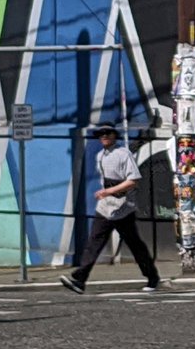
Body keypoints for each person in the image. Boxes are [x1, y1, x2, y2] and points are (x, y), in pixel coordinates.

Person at [60, 122, 165, 294]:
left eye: (108, 133)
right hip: (105, 207)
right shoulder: (100, 156)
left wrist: (109, 191)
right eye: (101, 134)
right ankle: (79, 279)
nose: (104, 136)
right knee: (94, 242)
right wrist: (106, 193)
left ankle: (152, 277)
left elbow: (133, 180)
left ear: (114, 135)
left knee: (134, 244)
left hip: (123, 207)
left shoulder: (123, 154)